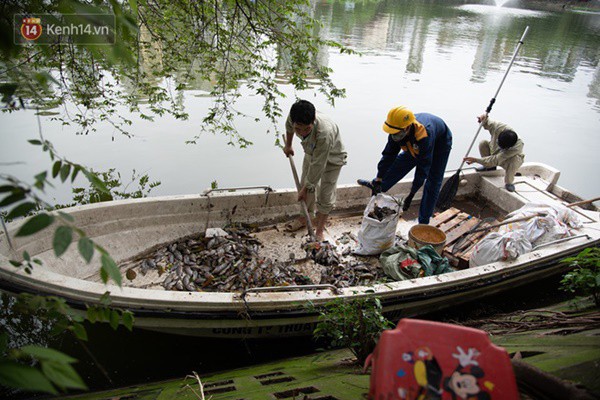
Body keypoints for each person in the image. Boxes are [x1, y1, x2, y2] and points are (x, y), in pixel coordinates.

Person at [358, 106, 452, 225]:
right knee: (398, 164)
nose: (394, 136)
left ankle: (423, 222)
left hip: (440, 143)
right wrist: (379, 178)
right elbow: (388, 155)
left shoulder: (424, 134)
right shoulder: (395, 129)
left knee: (433, 180)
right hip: (413, 141)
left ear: (407, 128)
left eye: (396, 133)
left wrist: (411, 194)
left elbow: (423, 168)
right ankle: (377, 186)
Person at [282, 100, 347, 241]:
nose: (303, 132)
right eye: (298, 129)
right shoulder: (293, 117)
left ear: (313, 121)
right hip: (311, 151)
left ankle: (319, 230)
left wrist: (306, 187)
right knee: (305, 183)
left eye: (307, 129)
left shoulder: (324, 132)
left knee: (325, 193)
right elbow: (289, 127)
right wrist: (288, 145)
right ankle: (304, 218)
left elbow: (319, 164)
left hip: (333, 157)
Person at [463, 114, 524, 192]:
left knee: (514, 160)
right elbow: (488, 122)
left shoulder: (517, 147)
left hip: (507, 160)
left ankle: (509, 182)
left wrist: (476, 160)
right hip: (494, 151)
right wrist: (483, 119)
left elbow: (496, 159)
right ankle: (489, 168)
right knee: (483, 143)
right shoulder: (499, 127)